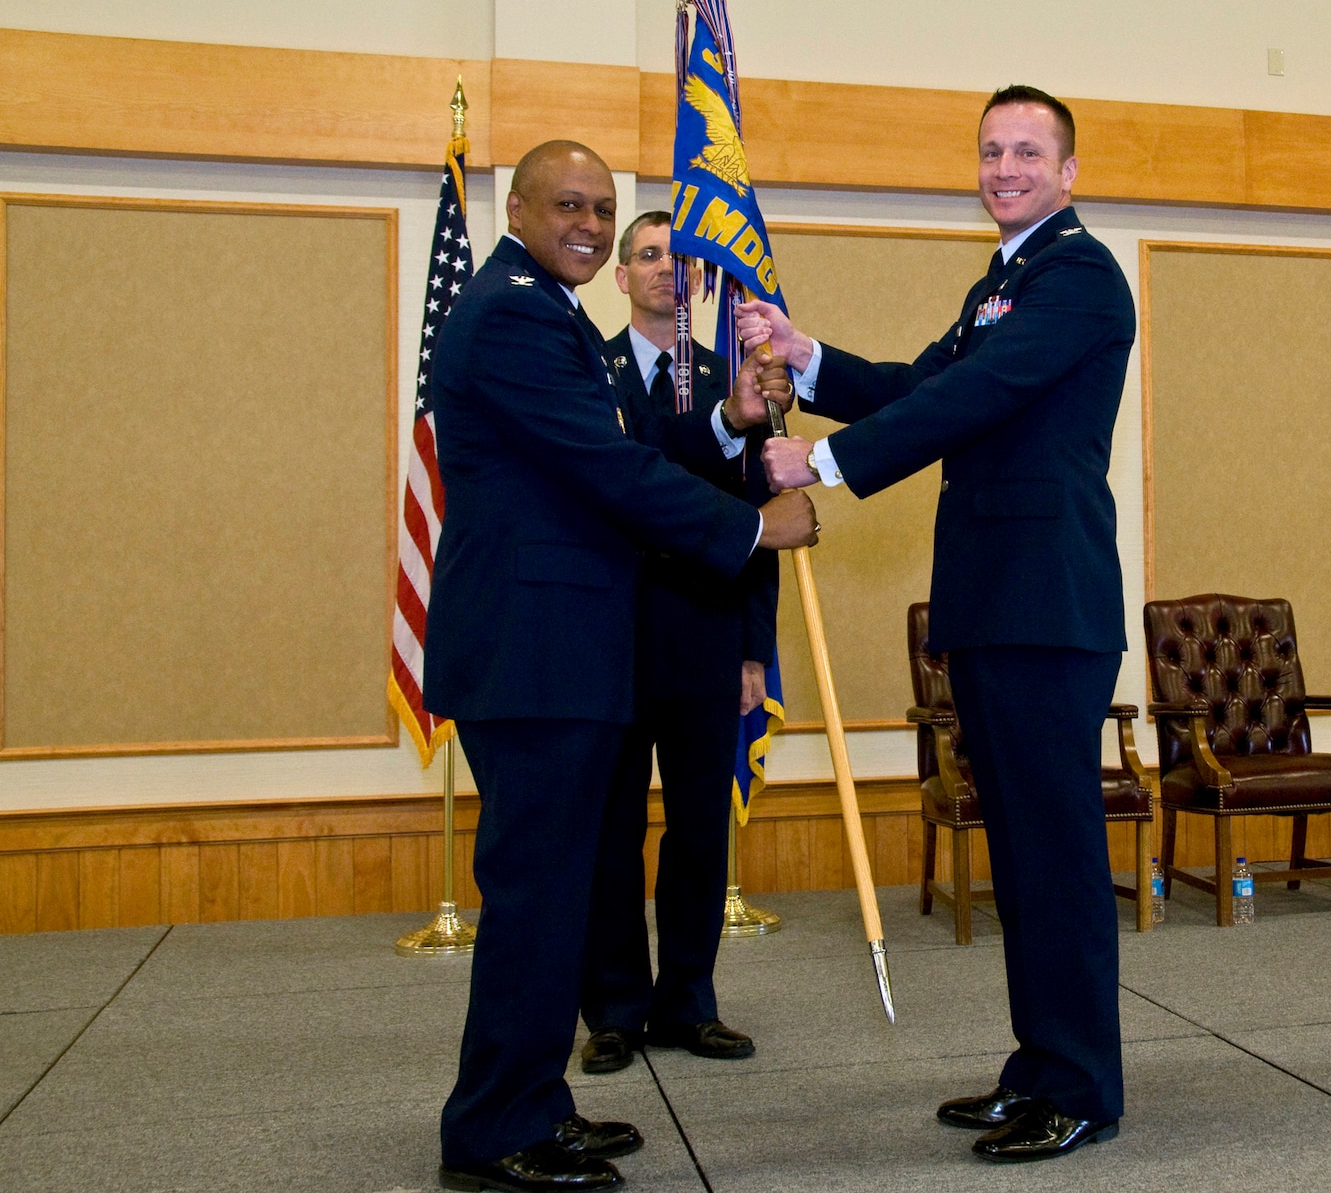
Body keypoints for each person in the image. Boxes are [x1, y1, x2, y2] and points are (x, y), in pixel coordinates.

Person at [739, 85, 1132, 1164]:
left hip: (1046, 606)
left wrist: (819, 461)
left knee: (1052, 856)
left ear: (1067, 172)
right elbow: (921, 383)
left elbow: (976, 397)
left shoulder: (1079, 276)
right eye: (989, 149)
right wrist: (810, 357)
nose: (1003, 166)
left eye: (1026, 151)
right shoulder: (1001, 280)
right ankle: (1041, 1062)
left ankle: (1083, 1084)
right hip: (995, 601)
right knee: (1019, 856)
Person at [427, 141, 817, 1193]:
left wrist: (727, 438)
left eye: (602, 206)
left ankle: (532, 1104)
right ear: (516, 207)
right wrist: (748, 530)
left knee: (551, 891)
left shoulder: (541, 306)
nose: (591, 225)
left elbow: (625, 459)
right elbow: (606, 466)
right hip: (532, 650)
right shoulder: (515, 310)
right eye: (567, 204)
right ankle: (496, 1125)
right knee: (537, 892)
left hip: (552, 649)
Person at [575, 212, 787, 1076]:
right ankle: (617, 1010)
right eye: (651, 255)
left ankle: (690, 1002)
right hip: (615, 638)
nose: (668, 269)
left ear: (701, 282)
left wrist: (752, 649)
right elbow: (629, 477)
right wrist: (723, 426)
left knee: (701, 833)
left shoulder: (737, 382)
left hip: (706, 637)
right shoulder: (593, 368)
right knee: (612, 833)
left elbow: (762, 528)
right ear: (621, 276)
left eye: (682, 258)